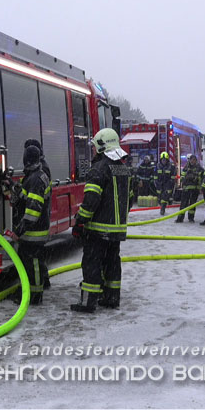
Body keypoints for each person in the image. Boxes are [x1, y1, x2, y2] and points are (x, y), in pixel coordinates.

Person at [71, 128, 132, 313]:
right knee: (112, 262)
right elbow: (130, 199)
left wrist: (80, 221)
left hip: (97, 229)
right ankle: (112, 297)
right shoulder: (123, 168)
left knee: (92, 262)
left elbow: (91, 200)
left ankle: (88, 302)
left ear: (100, 146)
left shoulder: (98, 169)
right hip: (117, 229)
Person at [12, 145, 51, 304]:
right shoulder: (36, 176)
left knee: (32, 263)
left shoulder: (35, 179)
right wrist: (13, 187)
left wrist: (19, 231)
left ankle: (34, 296)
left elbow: (33, 210)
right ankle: (33, 289)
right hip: (37, 229)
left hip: (33, 231)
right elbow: (26, 197)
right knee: (34, 262)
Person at [23, 138, 52, 289]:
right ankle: (43, 282)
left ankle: (35, 292)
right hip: (40, 222)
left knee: (32, 259)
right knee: (37, 257)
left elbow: (34, 205)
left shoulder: (37, 175)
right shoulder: (37, 172)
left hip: (35, 227)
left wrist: (20, 228)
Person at [175, 154, 202, 223]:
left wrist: (195, 179)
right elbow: (182, 177)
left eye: (194, 160)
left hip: (195, 189)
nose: (192, 161)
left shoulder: (199, 168)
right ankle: (180, 218)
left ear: (196, 161)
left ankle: (191, 218)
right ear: (189, 160)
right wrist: (184, 179)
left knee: (192, 205)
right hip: (186, 188)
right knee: (183, 204)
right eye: (191, 160)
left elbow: (201, 178)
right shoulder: (186, 167)